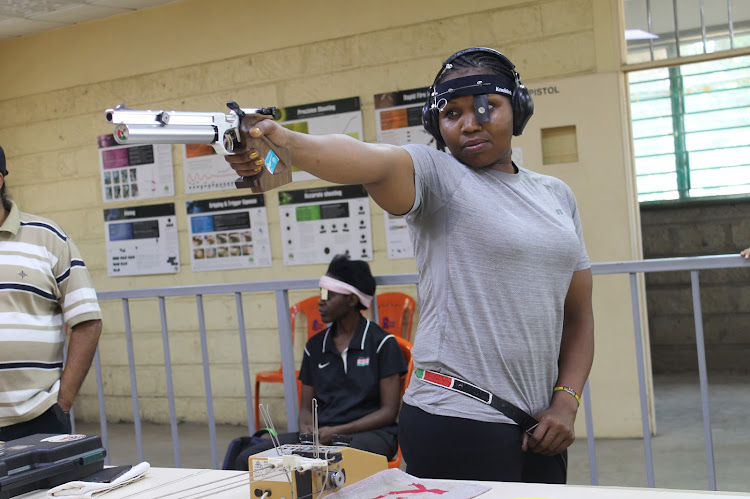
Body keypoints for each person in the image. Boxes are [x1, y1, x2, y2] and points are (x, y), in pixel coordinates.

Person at [225, 47, 594, 483]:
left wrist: (566, 401)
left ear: (518, 107)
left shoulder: (556, 195)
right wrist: (288, 142)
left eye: (486, 107)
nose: (470, 123)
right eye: (451, 113)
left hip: (541, 427)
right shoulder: (439, 175)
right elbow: (368, 159)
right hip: (456, 419)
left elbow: (579, 315)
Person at [230, 254, 407, 471]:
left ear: (351, 300)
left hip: (371, 435)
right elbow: (306, 408)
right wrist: (307, 428)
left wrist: (339, 430)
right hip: (321, 436)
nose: (320, 301)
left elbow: (388, 411)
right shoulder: (315, 347)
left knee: (332, 460)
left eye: (328, 296)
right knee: (246, 457)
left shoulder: (381, 344)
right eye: (321, 294)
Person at [0, 145, 103, 440]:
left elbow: (87, 321)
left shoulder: (48, 238)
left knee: (43, 489)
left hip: (36, 418)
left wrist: (63, 403)